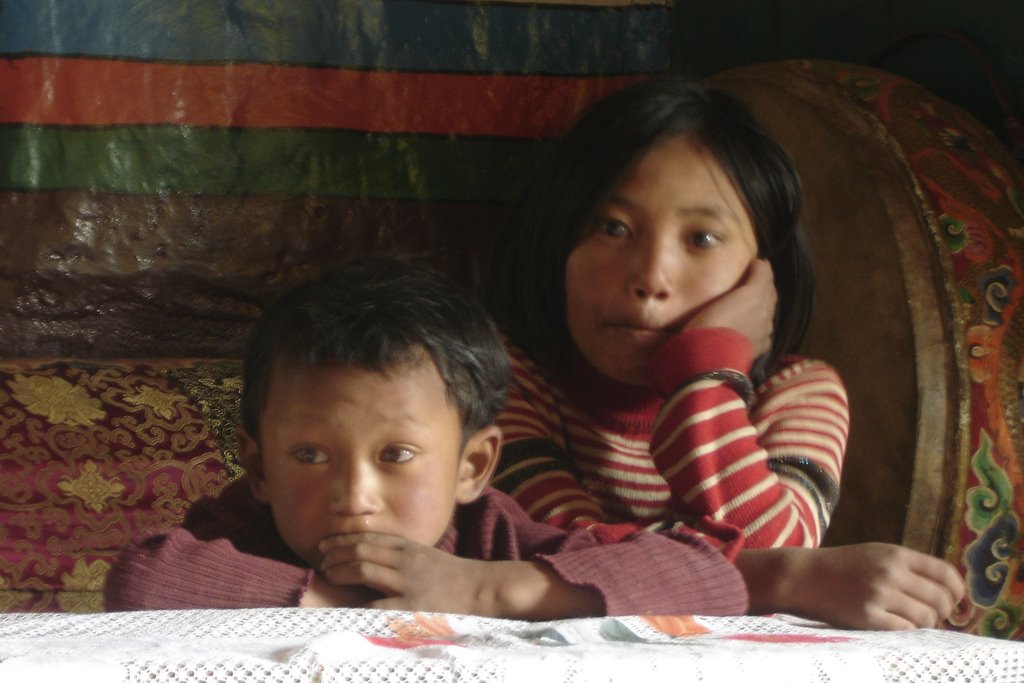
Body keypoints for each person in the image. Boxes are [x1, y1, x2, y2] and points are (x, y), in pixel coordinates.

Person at [483, 77, 966, 630]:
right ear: (558, 240)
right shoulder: (503, 378)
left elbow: (775, 543)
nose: (651, 277)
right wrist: (782, 577)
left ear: (764, 274)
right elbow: (575, 561)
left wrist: (703, 375)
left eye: (702, 238)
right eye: (613, 227)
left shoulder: (799, 393)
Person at [104, 256, 747, 618]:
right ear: (259, 465)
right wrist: (347, 599)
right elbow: (142, 579)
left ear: (472, 465)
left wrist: (480, 588)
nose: (354, 496)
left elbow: (708, 579)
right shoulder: (246, 529)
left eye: (397, 455)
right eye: (309, 455)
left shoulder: (491, 536)